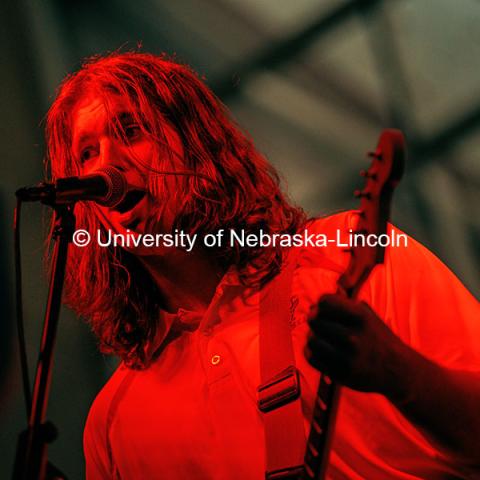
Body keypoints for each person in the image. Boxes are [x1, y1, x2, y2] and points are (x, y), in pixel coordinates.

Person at [45, 52, 480, 479]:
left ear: (195, 143)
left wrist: (398, 370)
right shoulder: (115, 421)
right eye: (87, 154)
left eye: (131, 130)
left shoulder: (346, 253)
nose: (107, 165)